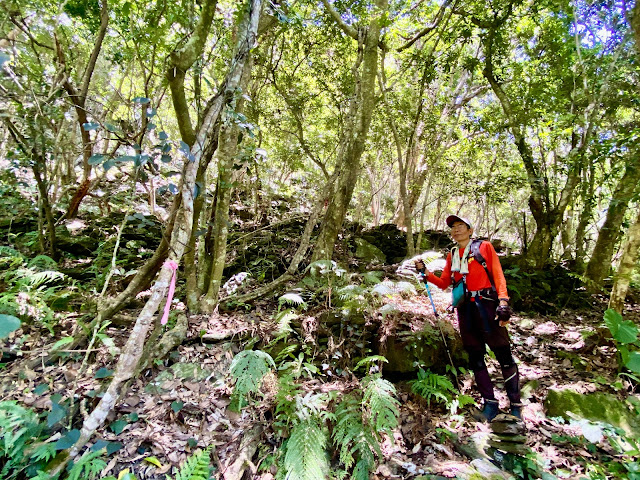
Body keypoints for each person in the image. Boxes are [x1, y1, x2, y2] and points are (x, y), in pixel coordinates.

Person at [414, 215, 522, 421]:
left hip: (487, 305)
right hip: (465, 309)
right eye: (453, 227)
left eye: (460, 226)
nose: (456, 230)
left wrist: (503, 301)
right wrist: (426, 273)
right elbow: (445, 283)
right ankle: (490, 403)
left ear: (470, 230)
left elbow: (498, 275)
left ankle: (515, 404)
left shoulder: (484, 247)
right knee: (475, 355)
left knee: (503, 352)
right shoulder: (452, 254)